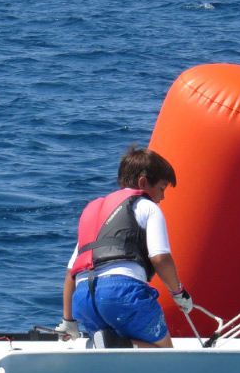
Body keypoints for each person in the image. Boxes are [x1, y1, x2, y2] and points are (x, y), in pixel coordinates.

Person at [55, 145, 193, 349]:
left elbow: (71, 274)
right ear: (143, 183)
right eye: (162, 189)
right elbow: (160, 258)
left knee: (110, 345)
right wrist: (178, 293)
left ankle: (107, 346)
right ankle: (114, 345)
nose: (162, 197)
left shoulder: (94, 215)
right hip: (122, 293)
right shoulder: (148, 207)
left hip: (84, 298)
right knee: (164, 352)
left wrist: (69, 322)